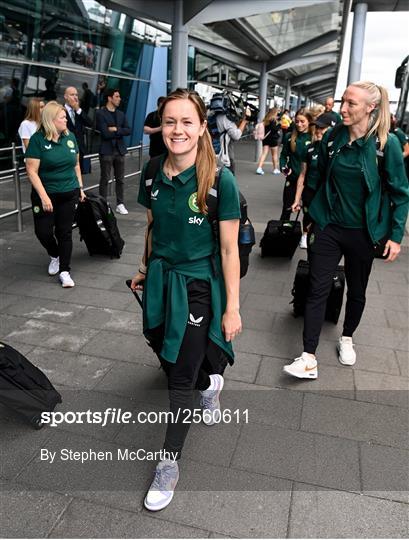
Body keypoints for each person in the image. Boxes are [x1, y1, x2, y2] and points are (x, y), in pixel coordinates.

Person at [131, 88, 241, 511]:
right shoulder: (152, 170)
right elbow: (152, 226)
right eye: (170, 121)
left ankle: (169, 462)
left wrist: (231, 307)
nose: (177, 130)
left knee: (179, 376)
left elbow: (229, 250)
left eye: (186, 122)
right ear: (162, 125)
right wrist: (143, 269)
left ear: (200, 128)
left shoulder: (219, 180)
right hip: (161, 277)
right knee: (162, 348)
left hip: (198, 284)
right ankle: (210, 383)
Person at [283, 81, 409, 379]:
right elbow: (318, 174)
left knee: (358, 289)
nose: (343, 108)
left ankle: (347, 337)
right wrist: (311, 214)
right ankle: (308, 356)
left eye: (351, 103)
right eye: (343, 101)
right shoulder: (334, 137)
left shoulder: (385, 145)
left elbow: (401, 192)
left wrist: (395, 235)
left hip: (363, 232)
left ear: (371, 108)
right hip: (329, 225)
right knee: (317, 286)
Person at [25, 101, 86, 288]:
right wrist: (44, 197)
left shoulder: (70, 138)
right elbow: (32, 171)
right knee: (42, 231)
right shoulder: (37, 140)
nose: (66, 119)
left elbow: (76, 165)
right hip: (45, 194)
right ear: (51, 120)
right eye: (62, 117)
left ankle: (65, 271)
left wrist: (80, 188)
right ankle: (55, 255)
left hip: (69, 193)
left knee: (64, 232)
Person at [291, 112, 334, 248]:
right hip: (310, 190)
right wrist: (297, 199)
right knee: (308, 216)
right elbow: (303, 175)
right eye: (318, 128)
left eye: (323, 128)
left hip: (326, 193)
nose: (319, 131)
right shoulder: (310, 149)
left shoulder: (336, 151)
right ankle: (305, 235)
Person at [96, 88, 131, 214]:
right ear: (109, 98)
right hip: (106, 150)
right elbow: (105, 133)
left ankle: (120, 204)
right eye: (117, 96)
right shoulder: (100, 113)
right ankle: (102, 204)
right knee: (105, 178)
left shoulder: (121, 114)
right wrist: (119, 131)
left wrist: (115, 129)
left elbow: (128, 130)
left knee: (120, 179)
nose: (119, 99)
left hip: (120, 150)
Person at [279, 108, 313, 221]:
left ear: (309, 121)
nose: (299, 124)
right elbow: (283, 155)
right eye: (297, 121)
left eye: (302, 121)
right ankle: (282, 235)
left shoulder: (314, 138)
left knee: (308, 213)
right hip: (292, 179)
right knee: (286, 210)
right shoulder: (289, 136)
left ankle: (305, 238)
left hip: (308, 183)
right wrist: (283, 168)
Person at [64, 86, 92, 174]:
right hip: (66, 151)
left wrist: (78, 109)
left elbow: (90, 123)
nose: (75, 97)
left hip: (79, 151)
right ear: (65, 97)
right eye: (72, 95)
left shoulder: (79, 111)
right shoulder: (60, 110)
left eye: (76, 95)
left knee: (79, 178)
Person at [215, 104, 249, 174]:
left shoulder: (213, 116)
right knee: (227, 175)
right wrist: (244, 121)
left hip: (213, 150)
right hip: (223, 155)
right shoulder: (225, 118)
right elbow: (236, 136)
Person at [255, 107, 281, 175]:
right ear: (274, 112)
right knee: (274, 155)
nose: (277, 114)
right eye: (277, 112)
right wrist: (279, 125)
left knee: (264, 153)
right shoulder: (273, 120)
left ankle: (259, 168)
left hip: (265, 139)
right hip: (273, 139)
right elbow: (274, 129)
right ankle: (275, 169)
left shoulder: (266, 119)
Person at [390, 113, 409, 179]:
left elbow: (407, 151)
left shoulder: (398, 133)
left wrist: (395, 159)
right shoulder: (387, 132)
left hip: (398, 165)